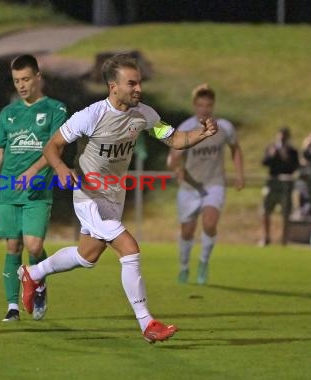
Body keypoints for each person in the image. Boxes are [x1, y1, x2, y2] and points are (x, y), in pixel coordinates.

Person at [18, 53, 219, 343]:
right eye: (132, 83)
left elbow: (173, 138)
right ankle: (147, 323)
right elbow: (53, 146)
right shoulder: (91, 115)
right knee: (130, 248)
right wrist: (61, 168)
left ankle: (33, 273)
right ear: (114, 86)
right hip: (88, 194)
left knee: (87, 256)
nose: (139, 88)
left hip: (114, 194)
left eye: (139, 83)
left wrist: (202, 133)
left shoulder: (144, 115)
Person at [0, 55, 68, 322]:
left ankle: (39, 283)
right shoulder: (7, 113)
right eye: (16, 81)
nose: (21, 85)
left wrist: (33, 171)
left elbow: (57, 147)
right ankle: (12, 307)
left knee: (33, 246)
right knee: (12, 246)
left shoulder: (56, 109)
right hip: (9, 189)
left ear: (38, 77)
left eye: (26, 79)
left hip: (37, 190)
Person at [166, 84, 244, 285]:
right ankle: (184, 267)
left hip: (214, 183)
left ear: (213, 105)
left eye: (208, 105)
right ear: (194, 105)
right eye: (200, 105)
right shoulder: (186, 128)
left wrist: (239, 174)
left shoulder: (224, 127)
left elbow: (235, 149)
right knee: (187, 231)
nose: (205, 109)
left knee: (209, 223)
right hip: (190, 187)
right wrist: (177, 169)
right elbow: (172, 158)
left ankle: (203, 262)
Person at [260, 127, 299, 246]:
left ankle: (284, 240)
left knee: (286, 213)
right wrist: (272, 155)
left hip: (286, 185)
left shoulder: (292, 151)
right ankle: (266, 238)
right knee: (265, 211)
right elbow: (264, 162)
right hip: (272, 183)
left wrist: (286, 157)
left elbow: (295, 166)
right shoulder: (271, 148)